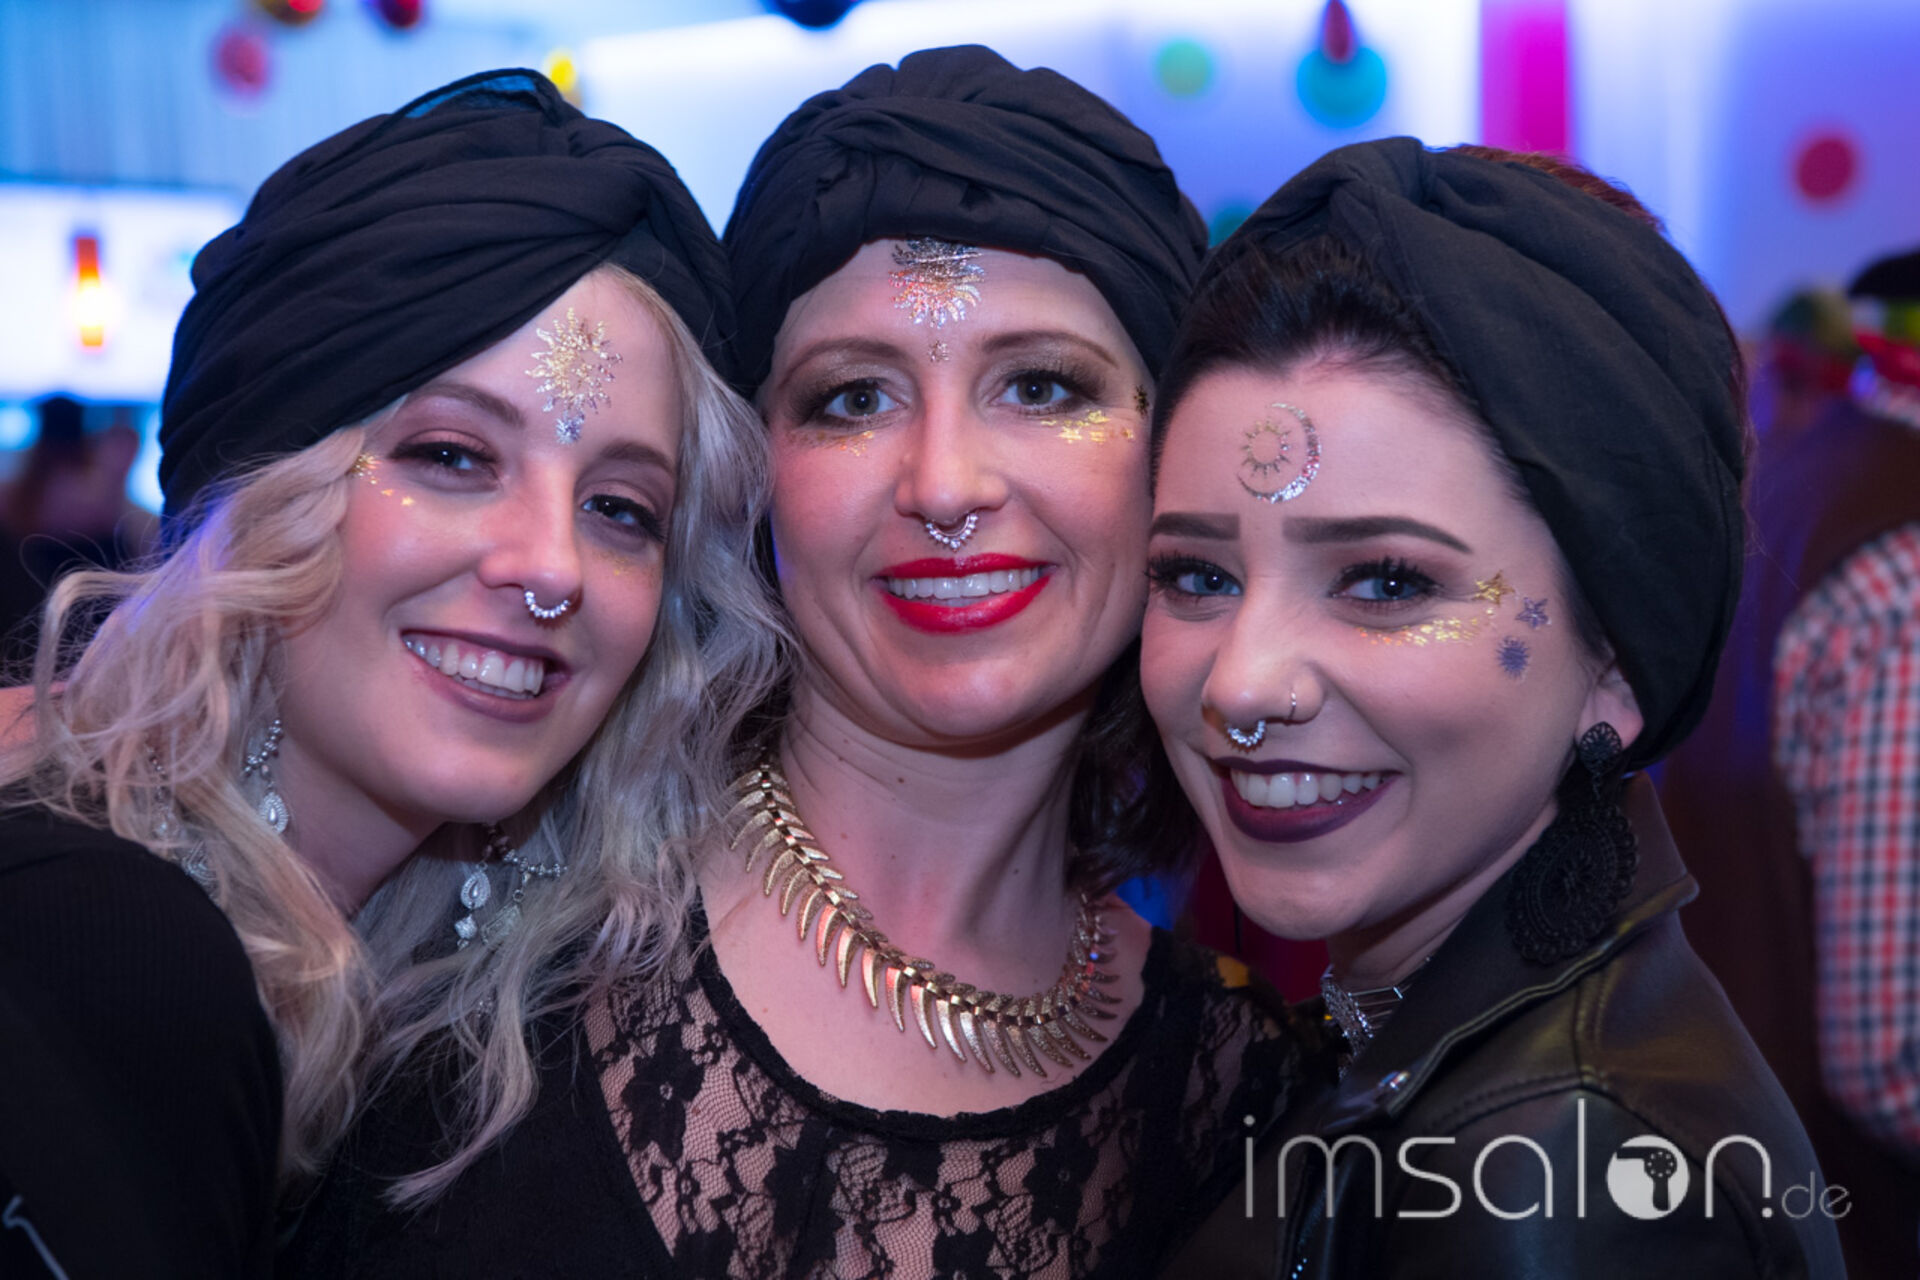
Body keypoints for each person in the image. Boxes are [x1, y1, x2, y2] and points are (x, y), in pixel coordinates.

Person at [287, 45, 1301, 1280]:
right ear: (751, 477)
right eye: (853, 399)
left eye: (1041, 386)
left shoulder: (1253, 1104)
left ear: (1167, 457)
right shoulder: (473, 934)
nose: (945, 485)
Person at [0, 68, 777, 1279]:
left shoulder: (453, 1004)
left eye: (622, 508)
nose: (552, 565)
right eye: (455, 455)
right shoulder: (99, 945)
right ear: (264, 493)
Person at [1139, 139, 1844, 1276]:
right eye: (1196, 575)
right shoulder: (1435, 1037)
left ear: (1616, 663)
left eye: (1386, 582)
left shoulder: (1566, 1180)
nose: (1242, 683)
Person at [1663, 246, 1920, 1279]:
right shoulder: (1906, 571)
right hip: (1840, 1219)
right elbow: (1888, 1057)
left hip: (1718, 1140)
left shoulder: (1804, 477)